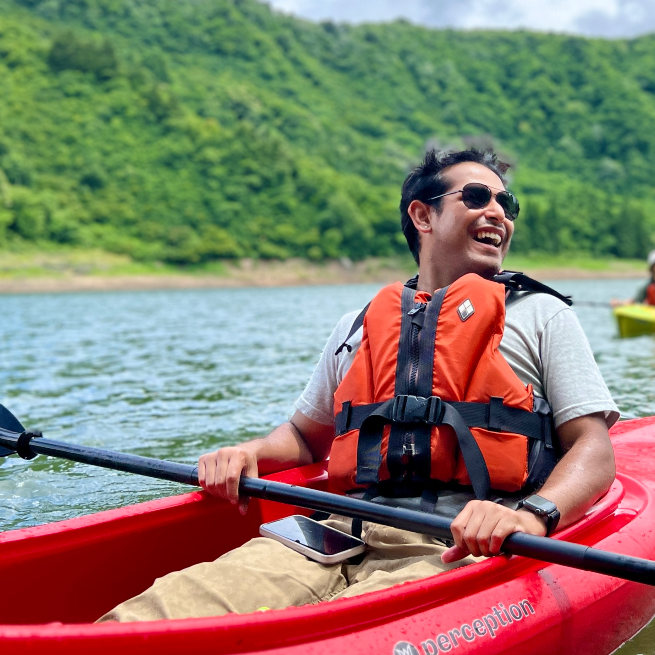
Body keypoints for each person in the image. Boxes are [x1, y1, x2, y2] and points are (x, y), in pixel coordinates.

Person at [100, 148, 618, 622]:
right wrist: (248, 452)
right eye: (478, 197)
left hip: (458, 544)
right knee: (147, 616)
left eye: (507, 204)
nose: (498, 213)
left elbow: (593, 450)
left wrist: (533, 517)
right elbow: (305, 438)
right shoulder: (358, 325)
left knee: (334, 636)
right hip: (335, 533)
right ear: (423, 216)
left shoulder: (542, 315)